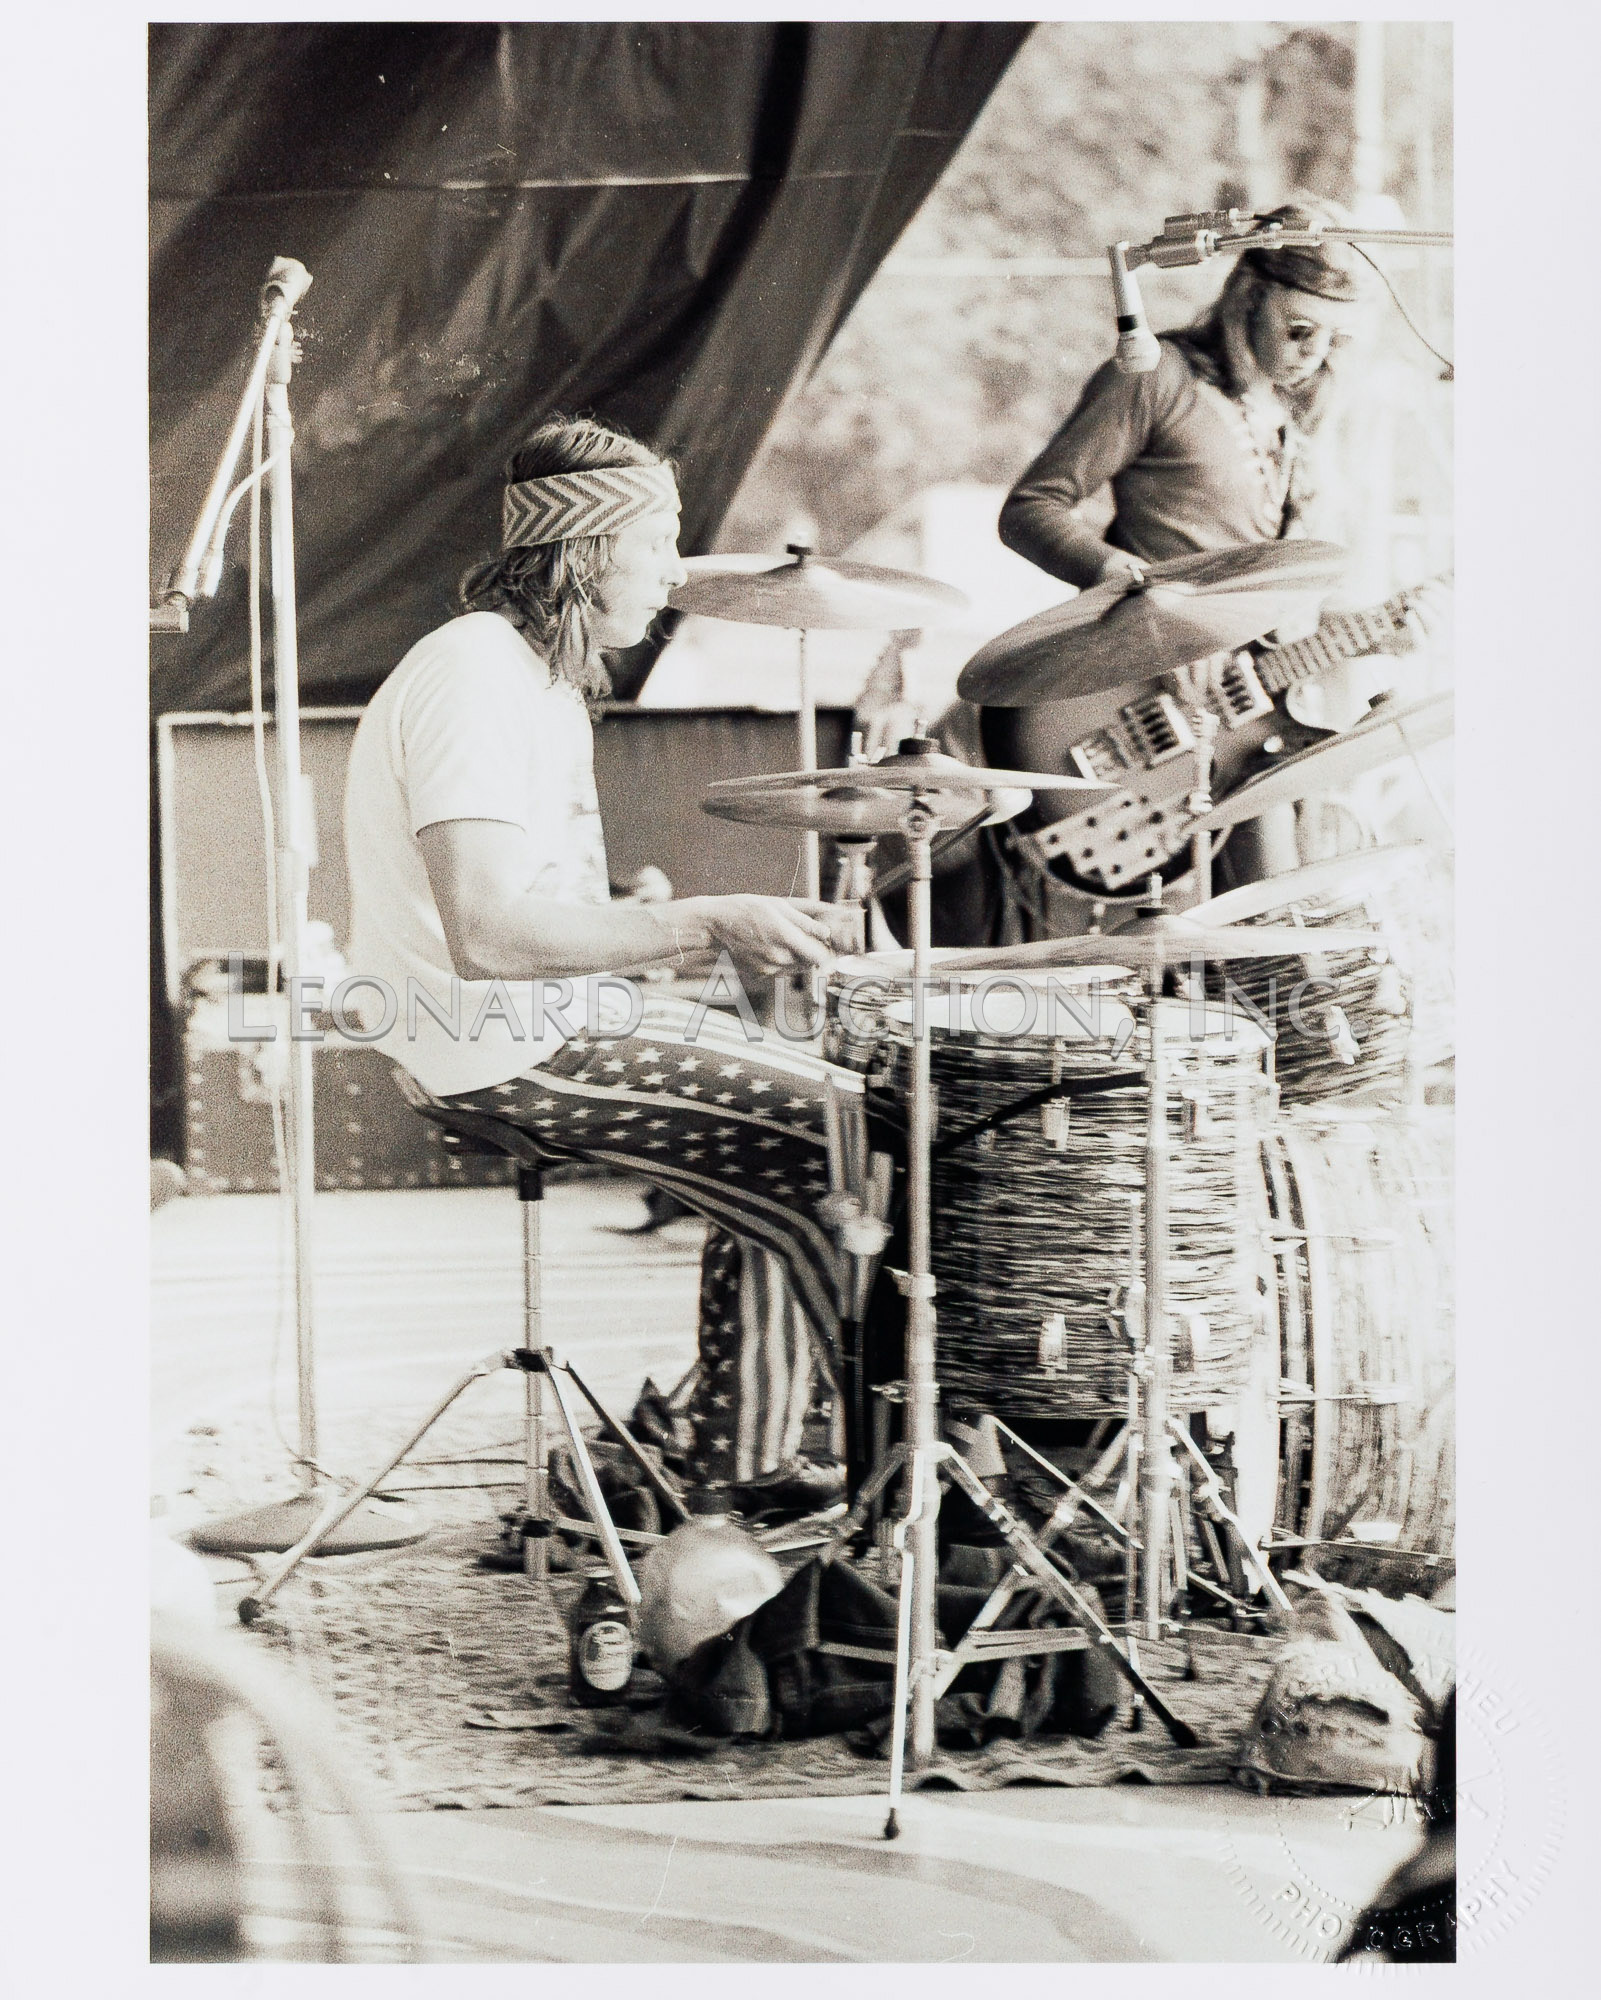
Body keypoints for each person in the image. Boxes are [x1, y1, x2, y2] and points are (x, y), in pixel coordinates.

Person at [343, 416, 856, 1487]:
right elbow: (487, 935)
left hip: (525, 1023)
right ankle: (845, 1459)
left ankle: (742, 1464)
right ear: (582, 550)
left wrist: (623, 913)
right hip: (491, 1044)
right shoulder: (474, 675)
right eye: (657, 539)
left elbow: (509, 904)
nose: (676, 569)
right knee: (840, 1127)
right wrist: (704, 921)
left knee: (805, 1134)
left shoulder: (529, 677)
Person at [992, 198, 1429, 891]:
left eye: (1335, 341)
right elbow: (1030, 509)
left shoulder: (1291, 419)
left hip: (1244, 715)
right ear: (1247, 298)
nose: (1313, 355)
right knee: (1262, 922)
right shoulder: (1158, 376)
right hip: (1135, 700)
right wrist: (1147, 609)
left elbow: (1282, 616)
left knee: (1287, 918)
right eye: (1299, 330)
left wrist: (1379, 631)